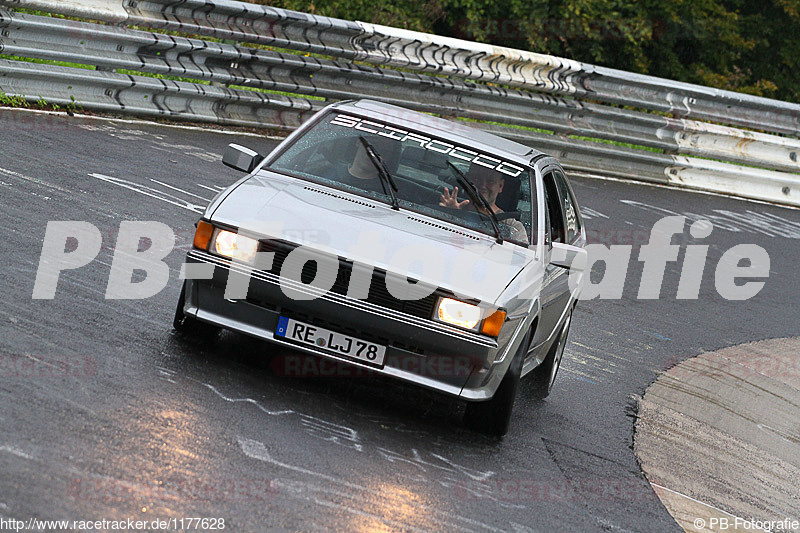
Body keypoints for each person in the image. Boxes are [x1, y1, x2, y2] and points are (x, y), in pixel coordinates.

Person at [439, 163, 528, 242]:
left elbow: (521, 256)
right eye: (477, 179)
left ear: (500, 186)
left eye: (490, 181)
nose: (482, 186)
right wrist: (450, 213)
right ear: (466, 180)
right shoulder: (451, 209)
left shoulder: (513, 227)